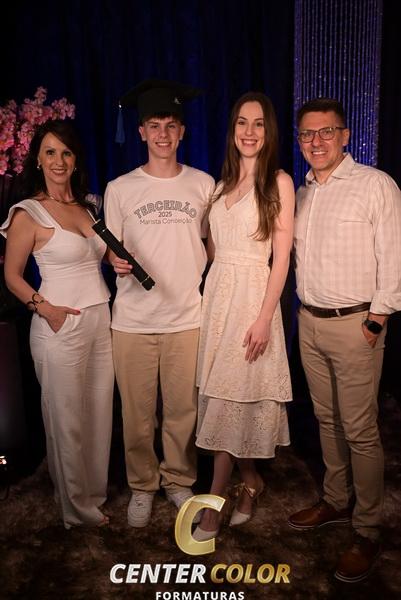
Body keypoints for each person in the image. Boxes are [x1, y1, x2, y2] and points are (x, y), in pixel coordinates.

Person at [289, 98, 401, 583]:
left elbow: (394, 257)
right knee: (326, 418)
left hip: (356, 325)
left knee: (360, 429)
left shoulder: (375, 185)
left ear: (345, 136)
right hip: (309, 322)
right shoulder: (303, 192)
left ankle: (368, 529)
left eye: (326, 132)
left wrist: (376, 321)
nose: (316, 142)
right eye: (307, 134)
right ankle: (336, 500)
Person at [104, 79, 215, 528]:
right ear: (141, 132)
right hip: (132, 319)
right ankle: (142, 485)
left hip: (186, 316)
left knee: (182, 410)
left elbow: (210, 244)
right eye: (154, 125)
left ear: (182, 132)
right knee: (136, 414)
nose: (163, 134)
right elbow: (110, 249)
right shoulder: (120, 189)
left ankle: (178, 479)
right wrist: (112, 259)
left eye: (171, 125)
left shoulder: (203, 184)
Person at [0, 120, 114, 529]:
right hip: (59, 324)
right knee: (66, 419)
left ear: (75, 158)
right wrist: (45, 309)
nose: (59, 160)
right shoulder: (27, 212)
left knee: (98, 413)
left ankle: (93, 495)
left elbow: (100, 256)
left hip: (100, 318)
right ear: (38, 159)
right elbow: (12, 276)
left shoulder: (89, 206)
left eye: (66, 152)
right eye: (50, 152)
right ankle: (75, 508)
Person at [194, 92, 294, 540]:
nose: (249, 132)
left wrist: (264, 317)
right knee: (229, 400)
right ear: (232, 129)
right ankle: (251, 481)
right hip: (218, 301)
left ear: (268, 132)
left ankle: (212, 508)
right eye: (241, 122)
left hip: (253, 302)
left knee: (229, 403)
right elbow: (211, 254)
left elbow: (282, 257)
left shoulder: (279, 182)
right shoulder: (219, 188)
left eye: (258, 124)